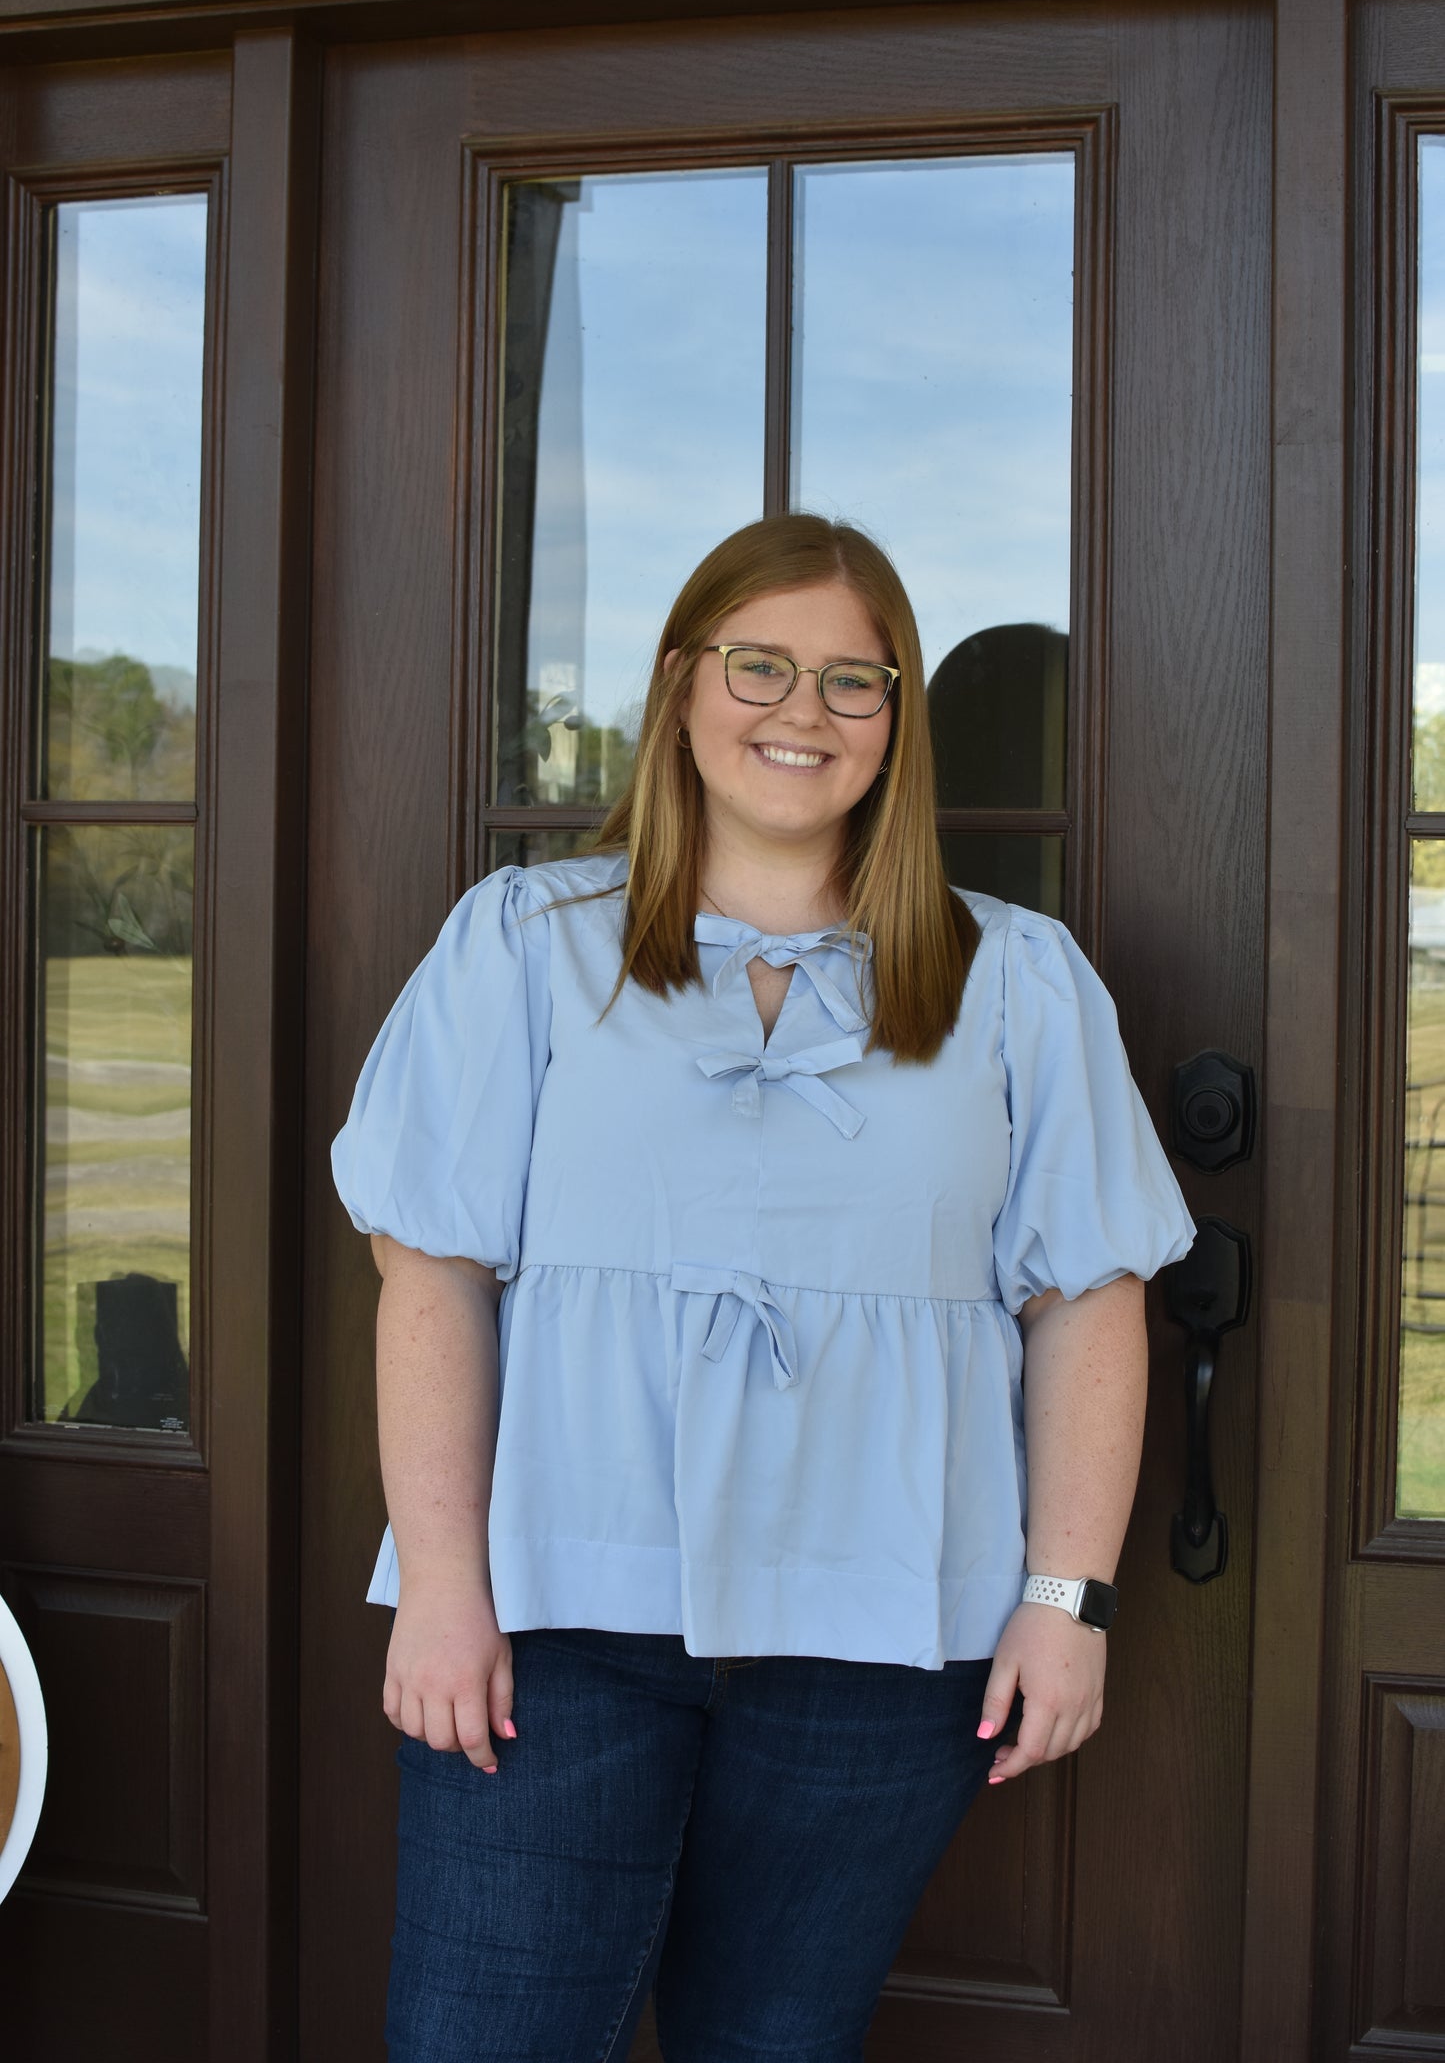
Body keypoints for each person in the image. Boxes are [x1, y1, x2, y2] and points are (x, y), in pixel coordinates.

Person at [330, 513, 1196, 2063]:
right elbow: (430, 1277)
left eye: (853, 680)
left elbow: (1088, 1303)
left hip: (879, 1643)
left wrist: (1066, 1600)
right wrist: (445, 1587)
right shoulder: (522, 946)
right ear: (680, 683)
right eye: (760, 666)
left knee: (777, 2045)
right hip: (553, 1623)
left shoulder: (1018, 980)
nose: (805, 712)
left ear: (895, 719)